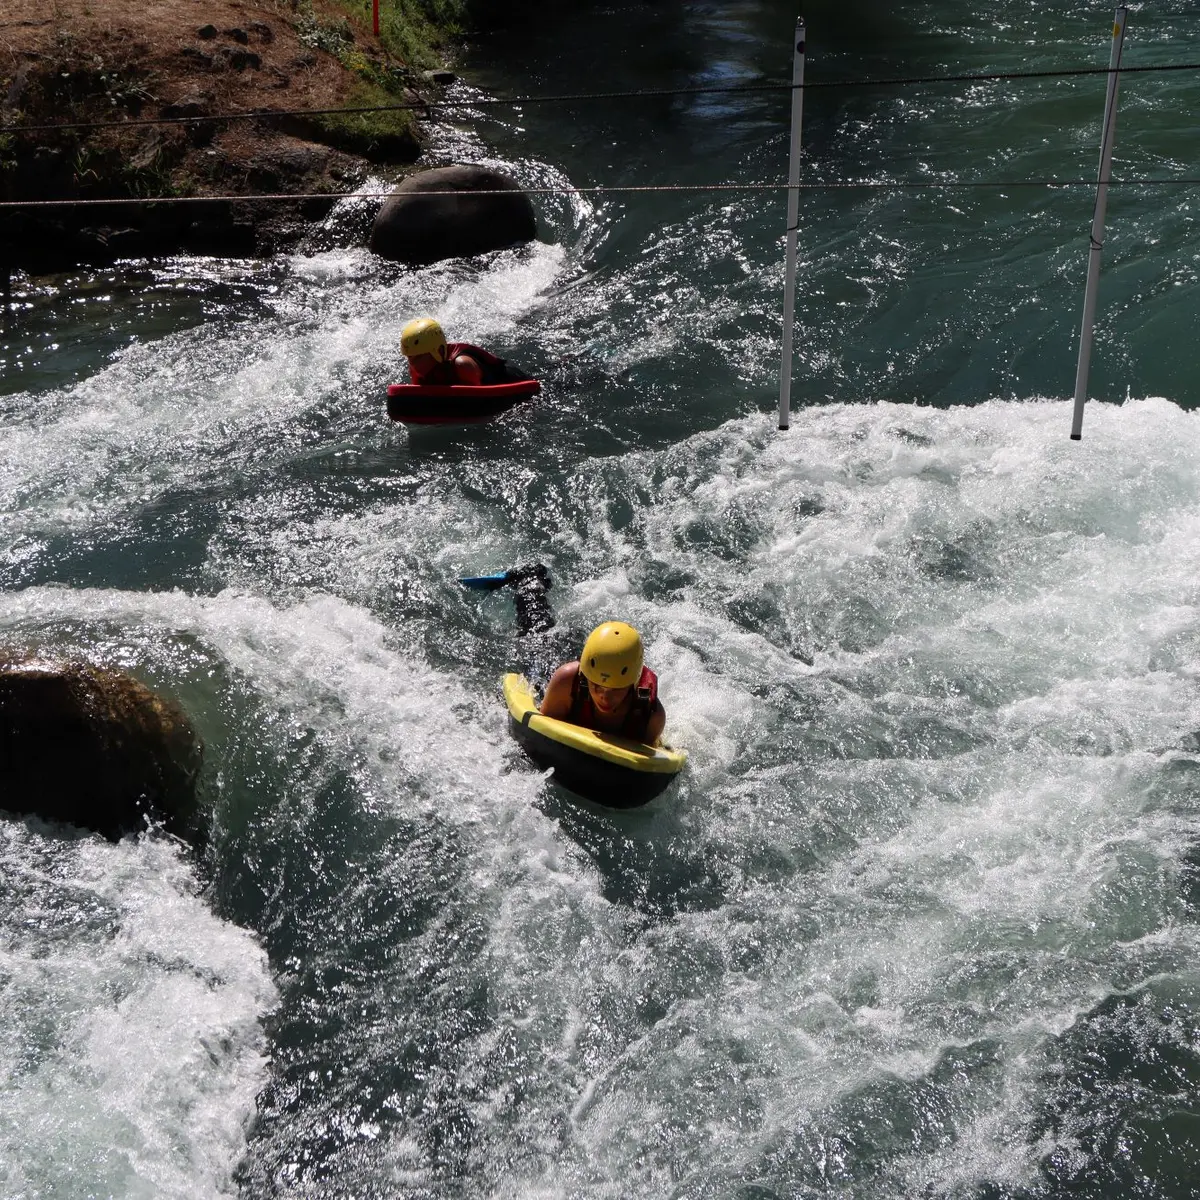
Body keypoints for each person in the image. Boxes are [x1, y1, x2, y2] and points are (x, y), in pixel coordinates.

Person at [486, 564, 667, 745]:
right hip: (549, 674)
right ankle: (529, 580)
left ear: (633, 684)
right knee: (535, 632)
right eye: (597, 686)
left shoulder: (650, 715)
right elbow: (541, 735)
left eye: (615, 690)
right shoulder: (566, 682)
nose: (604, 696)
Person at [400, 317, 513, 386]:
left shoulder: (463, 365)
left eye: (418, 357)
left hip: (513, 382)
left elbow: (479, 401)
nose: (413, 364)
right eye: (409, 357)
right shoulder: (415, 367)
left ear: (437, 352)